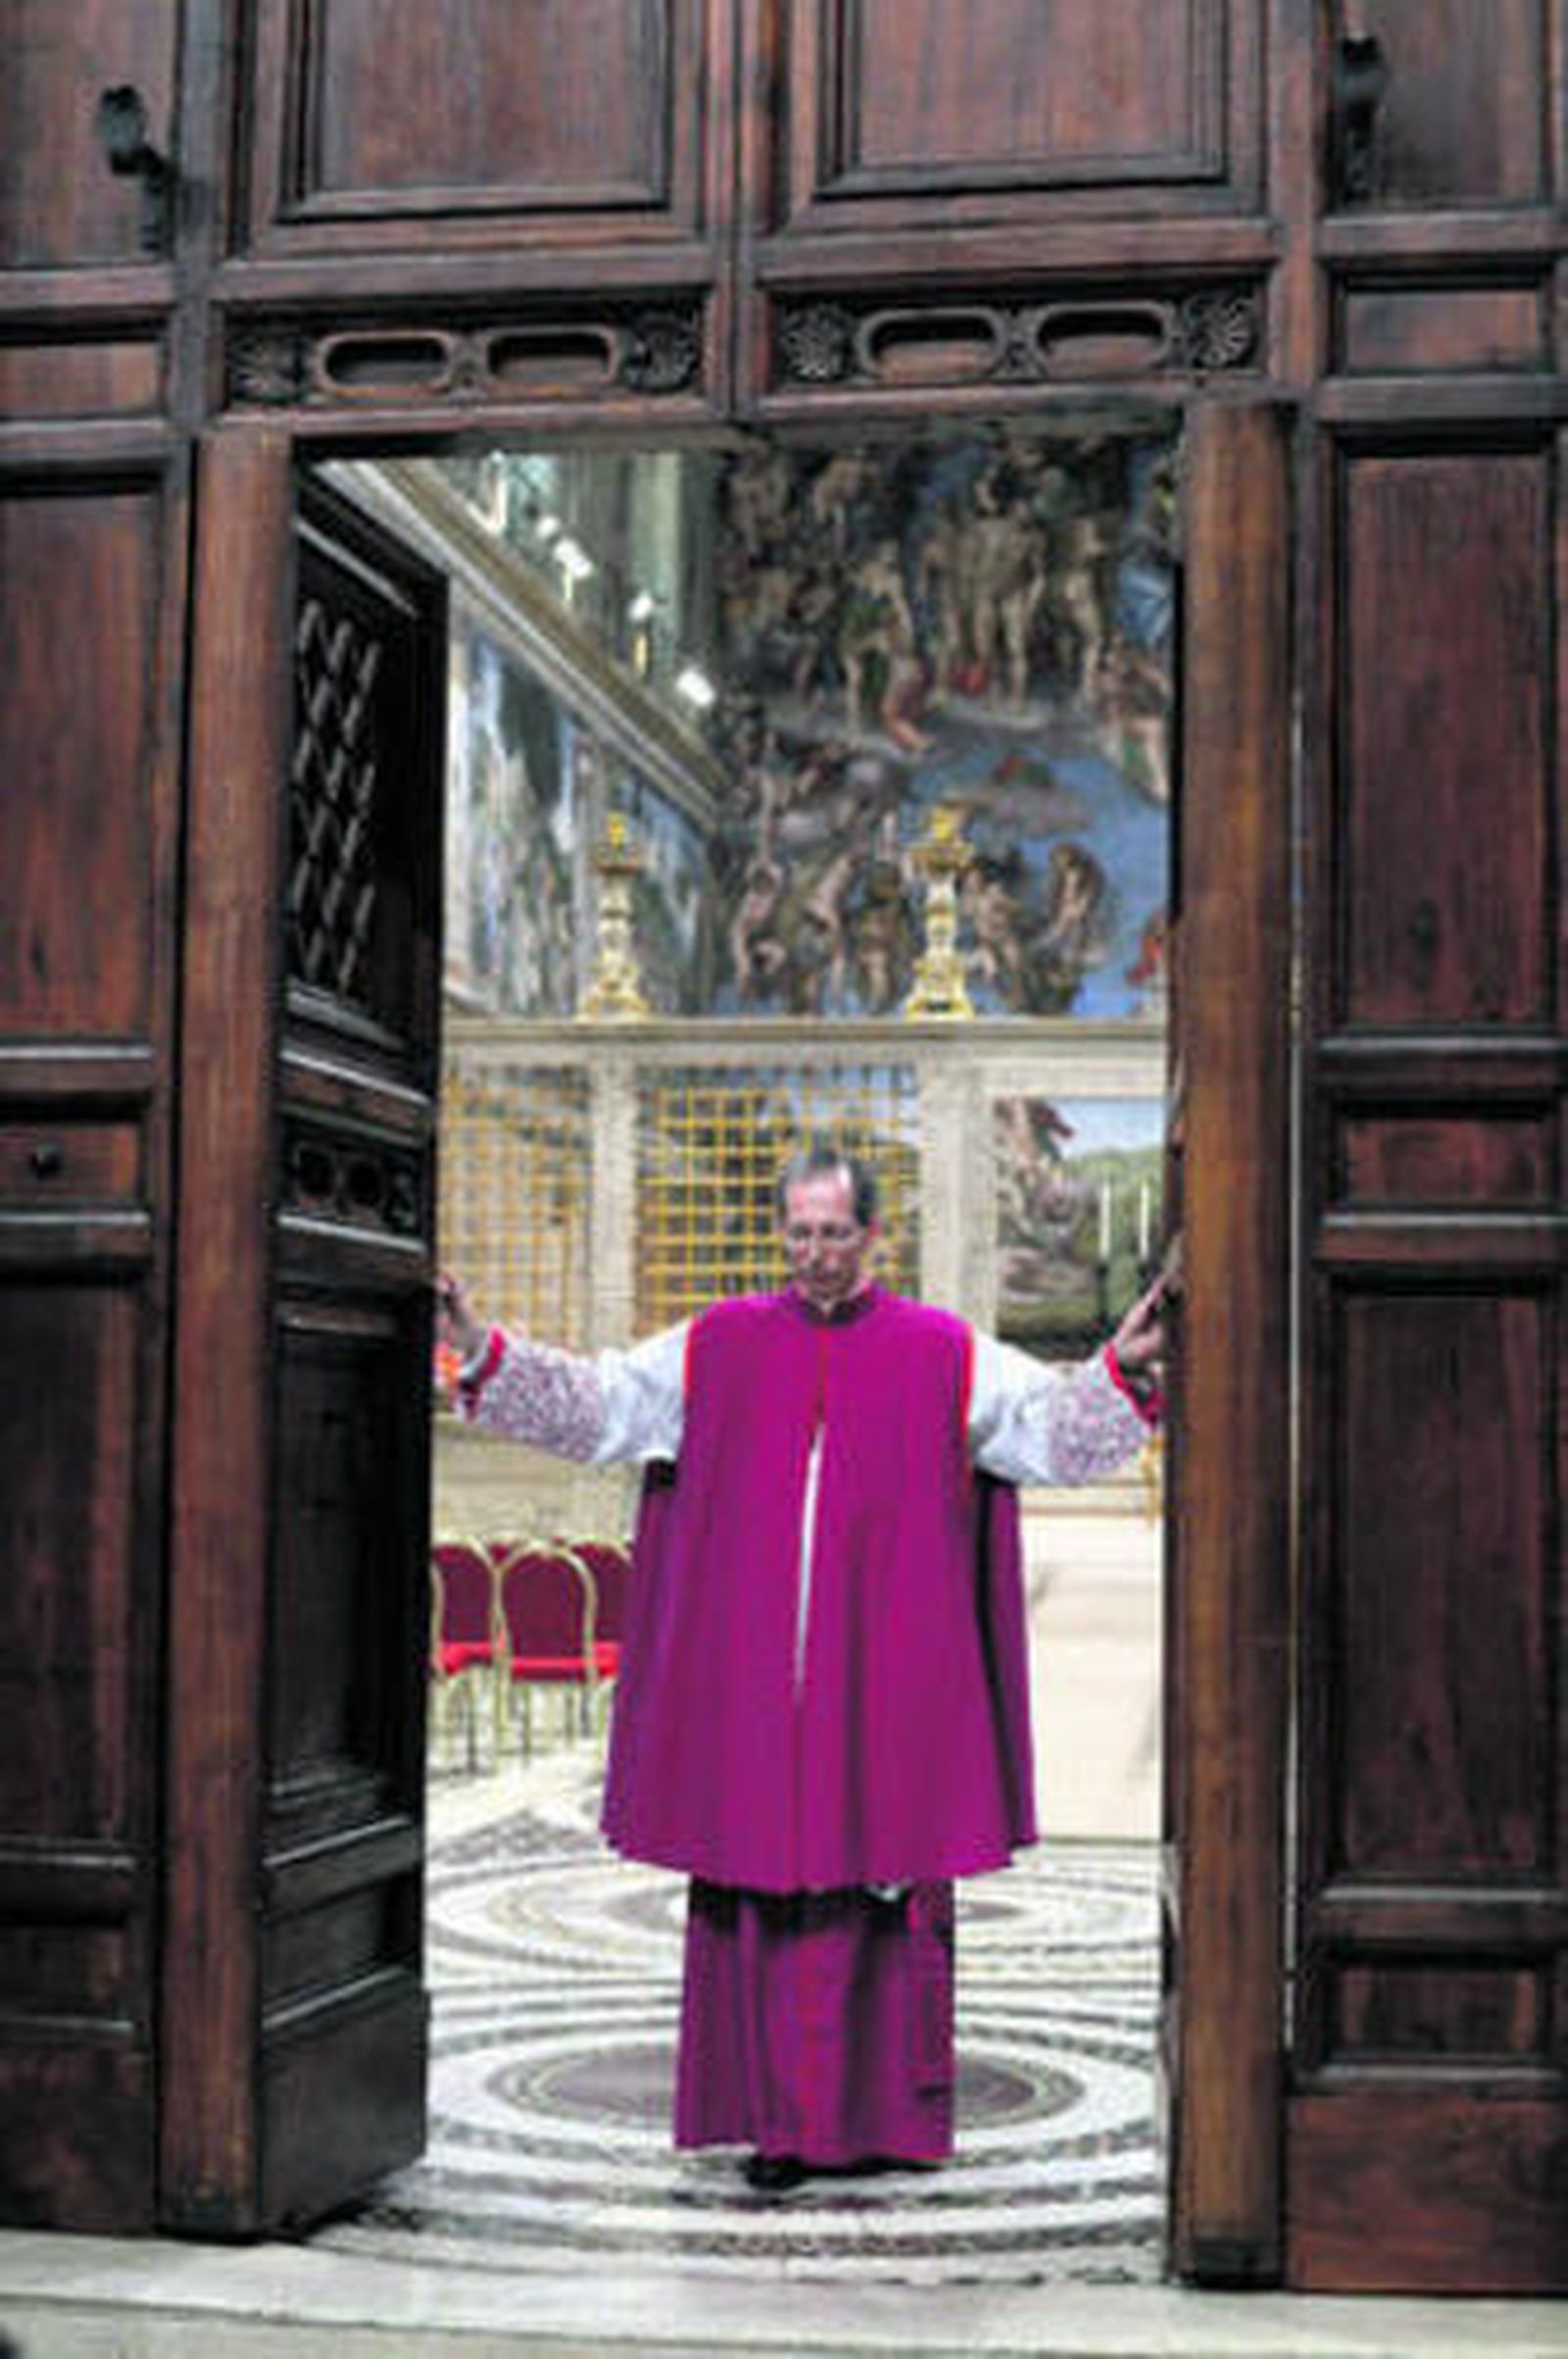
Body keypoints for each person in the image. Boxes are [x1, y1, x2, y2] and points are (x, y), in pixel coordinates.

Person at [436, 1141, 1163, 2194]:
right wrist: (480, 1347)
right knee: (765, 1901)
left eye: (835, 1234)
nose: (815, 1255)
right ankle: (773, 2122)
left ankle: (884, 2123)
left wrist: (1119, 1366)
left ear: (874, 1235)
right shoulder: (716, 1343)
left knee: (876, 1898)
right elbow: (600, 1408)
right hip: (756, 1690)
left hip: (886, 1684)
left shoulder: (943, 1351)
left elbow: (1045, 1432)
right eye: (800, 1233)